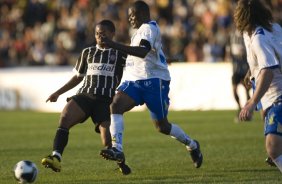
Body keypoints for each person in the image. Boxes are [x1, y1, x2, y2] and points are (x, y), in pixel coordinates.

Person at [99, 0, 203, 169]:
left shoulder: (148, 28)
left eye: (134, 15)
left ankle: (192, 144)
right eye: (130, 16)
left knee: (162, 126)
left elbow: (142, 52)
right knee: (116, 105)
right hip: (135, 81)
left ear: (144, 14)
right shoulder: (140, 31)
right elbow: (149, 54)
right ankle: (117, 148)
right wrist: (164, 59)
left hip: (154, 82)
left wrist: (112, 44)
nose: (131, 18)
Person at [41, 20, 131, 175]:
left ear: (112, 34)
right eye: (97, 33)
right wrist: (58, 92)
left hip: (105, 100)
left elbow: (141, 63)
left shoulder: (121, 53)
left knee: (107, 141)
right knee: (65, 117)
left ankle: (121, 162)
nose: (100, 36)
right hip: (85, 95)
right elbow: (78, 77)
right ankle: (56, 157)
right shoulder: (87, 52)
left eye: (103, 33)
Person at [234, 0, 282, 173]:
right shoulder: (272, 28)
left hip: (277, 94)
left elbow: (268, 71)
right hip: (270, 94)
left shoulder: (258, 39)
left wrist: (252, 101)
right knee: (267, 118)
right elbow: (265, 60)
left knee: (273, 148)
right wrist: (252, 72)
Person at [228, 28, 250, 122]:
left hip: (245, 69)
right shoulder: (232, 35)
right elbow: (229, 49)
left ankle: (247, 111)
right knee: (234, 90)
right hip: (235, 69)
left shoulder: (246, 36)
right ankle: (240, 108)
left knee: (247, 90)